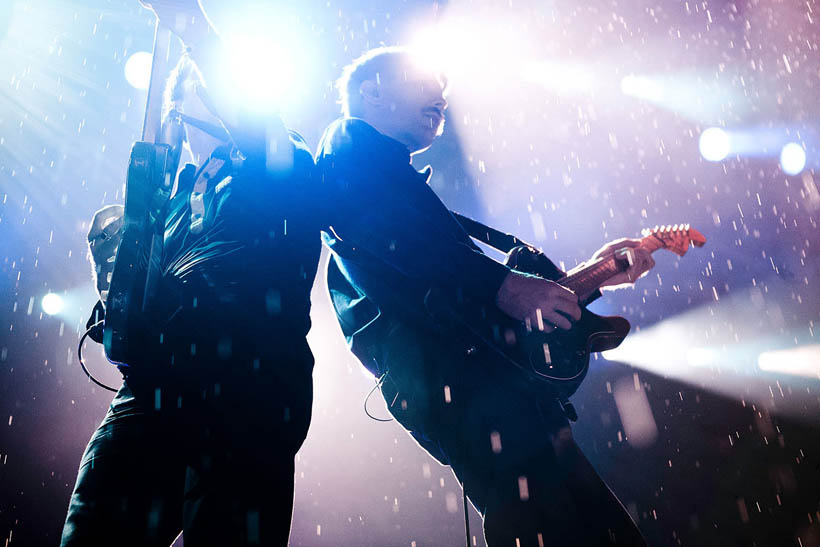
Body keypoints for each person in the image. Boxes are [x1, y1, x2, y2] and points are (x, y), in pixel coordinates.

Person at [317, 47, 655, 546]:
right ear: (372, 92)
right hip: (472, 393)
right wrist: (505, 285)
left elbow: (464, 290)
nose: (440, 100)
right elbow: (417, 256)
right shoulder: (349, 151)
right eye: (422, 87)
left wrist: (596, 275)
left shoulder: (388, 177)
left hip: (492, 389)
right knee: (548, 523)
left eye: (444, 95)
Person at [61, 1, 321, 545]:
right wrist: (119, 271)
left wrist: (191, 29)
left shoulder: (283, 159)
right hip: (156, 386)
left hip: (250, 382)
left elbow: (256, 128)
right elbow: (132, 310)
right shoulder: (168, 204)